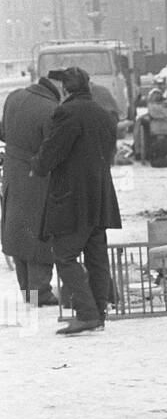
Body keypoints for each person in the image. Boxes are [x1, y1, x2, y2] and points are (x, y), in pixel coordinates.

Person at [32, 67, 120, 335]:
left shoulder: (67, 112)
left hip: (73, 198)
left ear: (66, 89)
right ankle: (99, 312)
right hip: (100, 194)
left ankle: (87, 313)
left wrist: (37, 165)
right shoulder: (103, 114)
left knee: (65, 255)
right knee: (96, 256)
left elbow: (53, 149)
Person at [0, 72, 60, 305]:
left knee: (18, 234)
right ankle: (40, 292)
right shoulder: (51, 109)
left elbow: (4, 132)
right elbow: (53, 149)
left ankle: (29, 292)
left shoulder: (14, 97)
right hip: (38, 180)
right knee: (39, 235)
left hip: (12, 177)